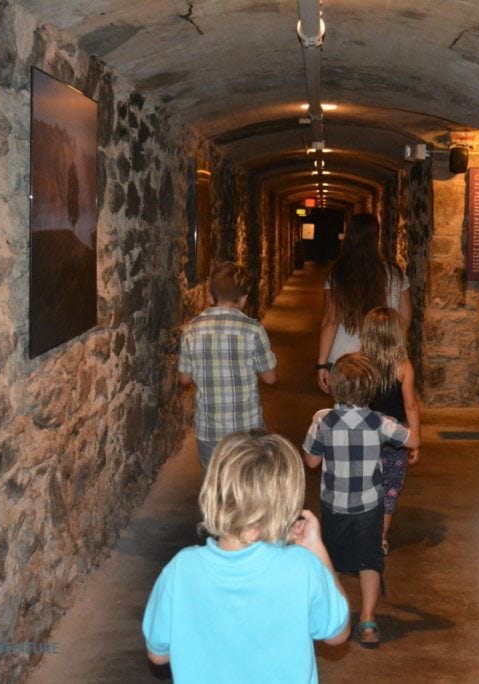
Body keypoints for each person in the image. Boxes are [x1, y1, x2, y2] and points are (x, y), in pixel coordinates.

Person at [142, 432, 350, 683]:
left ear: (214, 491)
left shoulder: (181, 569)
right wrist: (317, 549)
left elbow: (158, 655)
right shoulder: (301, 567)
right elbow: (338, 634)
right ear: (286, 500)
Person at [303, 353, 420, 649]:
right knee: (370, 562)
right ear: (372, 388)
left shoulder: (323, 420)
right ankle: (368, 621)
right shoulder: (378, 422)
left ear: (334, 386)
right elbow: (413, 441)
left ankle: (337, 616)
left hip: (334, 505)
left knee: (333, 562)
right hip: (369, 506)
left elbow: (312, 461)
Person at [178, 262, 277, 469]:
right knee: (245, 485)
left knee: (215, 487)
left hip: (209, 429)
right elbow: (270, 377)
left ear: (210, 297)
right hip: (246, 428)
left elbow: (185, 379)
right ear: (243, 299)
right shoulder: (254, 330)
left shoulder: (191, 330)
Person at [316, 214, 411, 393]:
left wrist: (322, 365)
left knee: (348, 416)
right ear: (376, 237)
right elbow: (405, 317)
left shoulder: (338, 276)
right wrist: (392, 348)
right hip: (383, 360)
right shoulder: (395, 275)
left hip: (346, 361)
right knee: (383, 417)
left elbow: (330, 320)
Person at [361, 307, 422, 555]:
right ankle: (381, 538)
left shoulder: (360, 363)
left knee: (365, 484)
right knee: (390, 488)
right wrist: (415, 440)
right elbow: (410, 404)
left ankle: (362, 530)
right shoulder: (404, 366)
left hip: (366, 434)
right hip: (395, 437)